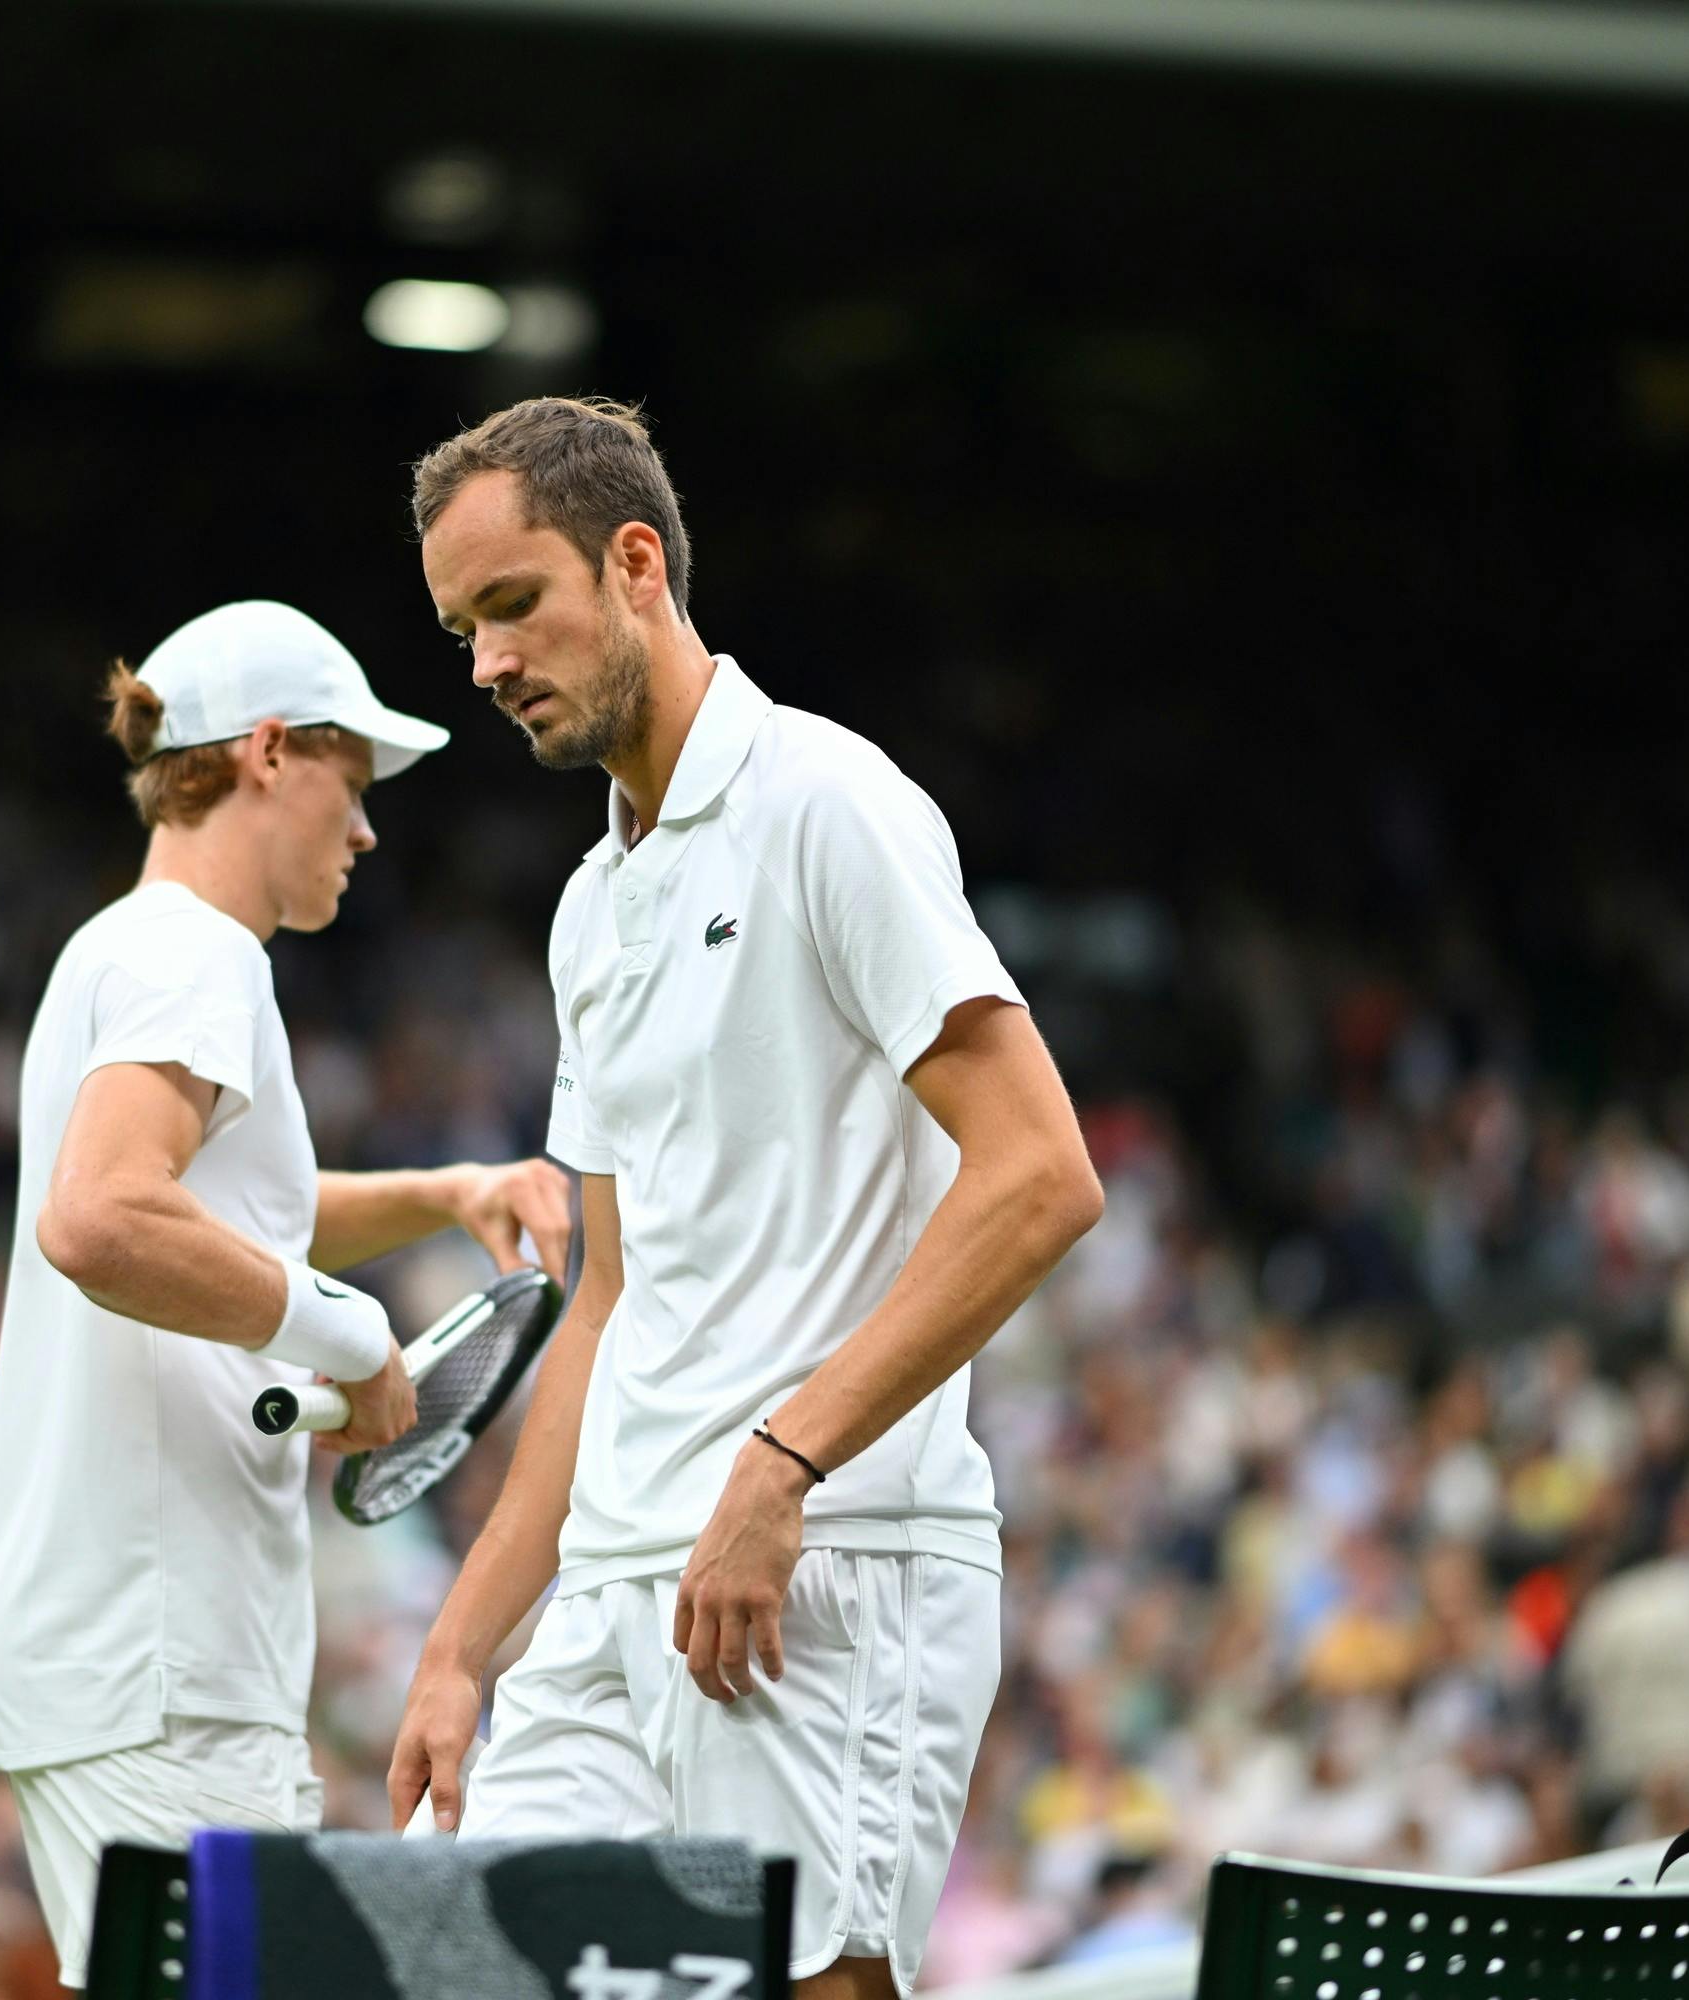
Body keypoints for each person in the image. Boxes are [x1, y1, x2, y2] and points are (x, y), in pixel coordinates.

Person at [391, 399, 1103, 2000]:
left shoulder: (829, 804)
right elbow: (613, 1305)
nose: (488, 664)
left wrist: (781, 1467)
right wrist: (460, 1648)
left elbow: (1042, 1175)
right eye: (461, 631)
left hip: (827, 1570)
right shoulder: (591, 907)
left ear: (634, 564)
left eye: (513, 607)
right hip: (616, 1595)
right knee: (454, 1973)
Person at [0, 600, 572, 1985]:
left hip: (113, 1643)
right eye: (353, 787)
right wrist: (353, 1336)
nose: (365, 833)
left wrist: (443, 1190)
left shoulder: (118, 946)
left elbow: (225, 1219)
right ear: (271, 754)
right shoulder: (201, 955)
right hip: (159, 1648)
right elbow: (107, 1213)